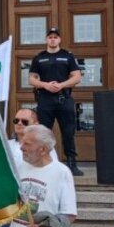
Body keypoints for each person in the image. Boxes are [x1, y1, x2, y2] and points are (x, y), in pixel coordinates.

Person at [29, 28, 84, 176]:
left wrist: (61, 85)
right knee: (43, 132)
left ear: (59, 40)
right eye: (50, 37)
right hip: (45, 99)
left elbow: (77, 77)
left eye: (55, 37)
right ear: (46, 40)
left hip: (63, 98)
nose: (52, 39)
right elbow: (32, 78)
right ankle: (43, 161)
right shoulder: (39, 58)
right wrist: (45, 85)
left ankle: (72, 163)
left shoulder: (67, 56)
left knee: (68, 131)